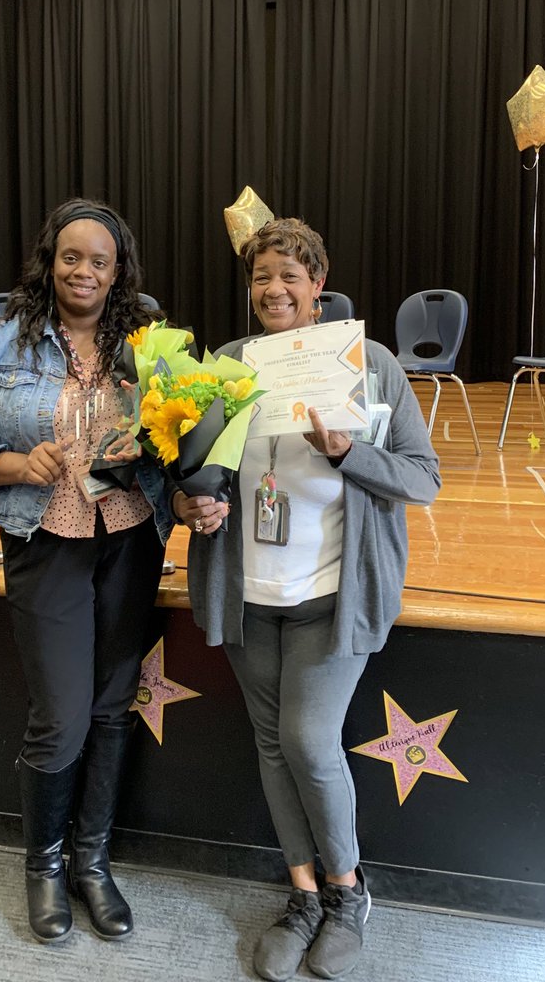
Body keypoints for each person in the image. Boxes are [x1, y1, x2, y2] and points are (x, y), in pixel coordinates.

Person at [183, 218, 441, 982]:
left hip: (336, 592)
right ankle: (301, 895)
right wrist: (191, 505)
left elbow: (422, 477)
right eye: (262, 275)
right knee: (272, 742)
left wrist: (346, 451)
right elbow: (195, 473)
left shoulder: (371, 365)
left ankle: (348, 890)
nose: (274, 289)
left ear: (317, 286)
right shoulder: (227, 366)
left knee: (305, 738)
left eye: (290, 276)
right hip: (248, 592)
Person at [0, 198, 182, 947]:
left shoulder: (147, 340)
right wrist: (14, 463)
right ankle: (42, 864)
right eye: (71, 257)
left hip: (131, 535)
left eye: (99, 261)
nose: (84, 271)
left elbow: (184, 432)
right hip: (45, 536)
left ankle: (92, 862)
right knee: (63, 715)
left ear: (118, 271)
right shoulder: (4, 342)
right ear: (51, 261)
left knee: (112, 705)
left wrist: (197, 489)